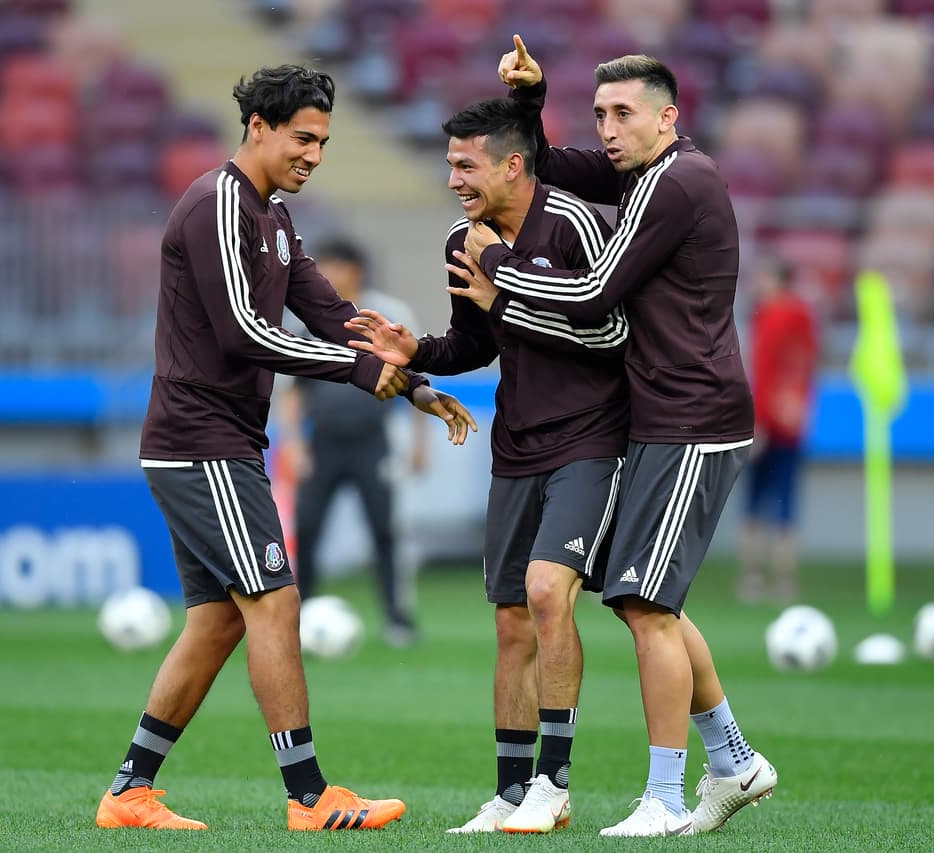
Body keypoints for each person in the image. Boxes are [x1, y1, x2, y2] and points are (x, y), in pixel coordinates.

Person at [93, 63, 476, 834]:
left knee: (219, 620)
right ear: (258, 127)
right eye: (303, 137)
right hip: (201, 440)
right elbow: (245, 332)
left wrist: (413, 382)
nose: (315, 154)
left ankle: (129, 792)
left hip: (217, 440)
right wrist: (362, 372)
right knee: (274, 601)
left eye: (324, 141)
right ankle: (309, 795)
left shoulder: (271, 214)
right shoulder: (216, 203)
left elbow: (330, 313)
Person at [458, 37, 779, 836]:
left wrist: (502, 270)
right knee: (642, 598)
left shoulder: (678, 182)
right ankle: (734, 759)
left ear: (667, 118)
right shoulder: (646, 173)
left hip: (693, 418)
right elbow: (548, 165)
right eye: (600, 112)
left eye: (623, 113)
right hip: (663, 416)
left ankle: (666, 796)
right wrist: (531, 102)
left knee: (645, 604)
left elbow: (597, 293)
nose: (607, 128)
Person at [345, 97, 629, 834]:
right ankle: (510, 791)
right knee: (510, 621)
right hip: (517, 445)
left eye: (466, 166)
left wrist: (507, 294)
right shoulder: (460, 239)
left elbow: (610, 336)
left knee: (547, 593)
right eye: (449, 165)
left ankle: (554, 783)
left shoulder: (573, 224)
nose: (453, 180)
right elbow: (476, 342)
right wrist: (418, 353)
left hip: (589, 440)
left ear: (512, 165)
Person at [275, 236, 428, 646]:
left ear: (354, 270)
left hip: (374, 441)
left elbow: (415, 379)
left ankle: (398, 619)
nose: (324, 275)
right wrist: (294, 443)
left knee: (385, 531)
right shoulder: (307, 321)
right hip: (323, 441)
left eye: (331, 266)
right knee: (307, 527)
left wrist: (420, 443)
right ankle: (302, 615)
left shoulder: (389, 315)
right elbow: (293, 390)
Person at [736, 254, 819, 604]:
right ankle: (784, 581)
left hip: (769, 423)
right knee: (786, 502)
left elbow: (765, 372)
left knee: (755, 504)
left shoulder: (772, 316)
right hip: (791, 421)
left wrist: (759, 422)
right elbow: (806, 367)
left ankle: (753, 579)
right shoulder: (803, 316)